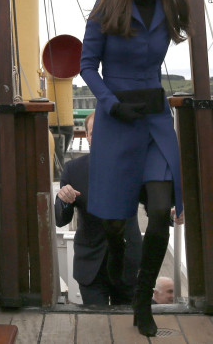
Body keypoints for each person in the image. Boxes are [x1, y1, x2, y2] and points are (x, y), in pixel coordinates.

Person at [80, 0, 191, 337]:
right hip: (116, 119)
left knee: (161, 209)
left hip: (156, 120)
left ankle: (142, 301)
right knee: (114, 221)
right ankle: (115, 257)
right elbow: (87, 66)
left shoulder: (169, 6)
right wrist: (110, 105)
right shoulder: (105, 9)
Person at [55, 112, 142, 305]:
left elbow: (151, 198)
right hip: (91, 264)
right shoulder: (73, 169)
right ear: (87, 136)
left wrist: (171, 211)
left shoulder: (134, 166)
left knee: (127, 325)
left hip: (127, 262)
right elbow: (61, 219)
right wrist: (63, 200)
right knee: (97, 325)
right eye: (94, 132)